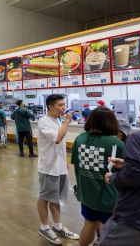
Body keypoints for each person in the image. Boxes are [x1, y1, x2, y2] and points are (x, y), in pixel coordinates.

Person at [71, 107, 123, 246]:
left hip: (86, 193)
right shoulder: (115, 143)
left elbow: (75, 162)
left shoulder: (80, 138)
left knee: (89, 224)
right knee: (106, 227)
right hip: (108, 195)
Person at [100, 103, 140, 246]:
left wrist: (113, 177)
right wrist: (130, 164)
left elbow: (133, 177)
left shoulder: (138, 138)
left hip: (137, 216)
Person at [36, 94, 79, 245]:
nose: (63, 107)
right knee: (45, 197)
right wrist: (67, 121)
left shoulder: (57, 120)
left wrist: (64, 160)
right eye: (60, 105)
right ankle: (44, 227)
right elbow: (58, 139)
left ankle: (58, 225)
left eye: (64, 104)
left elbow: (60, 145)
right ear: (50, 107)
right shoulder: (43, 122)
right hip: (48, 167)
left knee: (55, 198)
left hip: (59, 166)